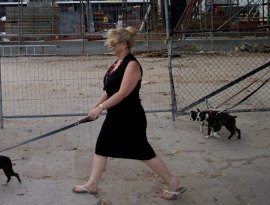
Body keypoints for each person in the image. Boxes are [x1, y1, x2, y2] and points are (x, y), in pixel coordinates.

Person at [72, 27, 186, 200]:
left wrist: (101, 107)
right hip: (115, 116)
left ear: (123, 45)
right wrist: (95, 107)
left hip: (130, 117)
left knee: (142, 151)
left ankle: (172, 181)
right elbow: (109, 89)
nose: (110, 46)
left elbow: (122, 93)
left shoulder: (131, 64)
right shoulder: (116, 63)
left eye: (112, 43)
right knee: (101, 147)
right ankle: (92, 184)